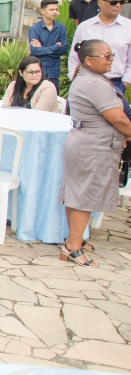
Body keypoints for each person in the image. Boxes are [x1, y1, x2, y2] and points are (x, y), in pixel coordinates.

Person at [60, 39, 131, 267]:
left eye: (111, 55)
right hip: (93, 145)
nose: (111, 59)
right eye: (106, 56)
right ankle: (72, 247)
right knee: (84, 196)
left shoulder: (88, 78)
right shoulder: (94, 84)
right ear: (89, 60)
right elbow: (118, 118)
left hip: (86, 141)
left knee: (77, 192)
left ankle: (76, 238)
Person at [69, 0, 131, 120]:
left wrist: (123, 84)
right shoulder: (85, 27)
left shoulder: (128, 28)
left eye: (122, 2)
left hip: (116, 84)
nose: (118, 5)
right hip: (86, 84)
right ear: (100, 2)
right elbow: (74, 58)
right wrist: (75, 81)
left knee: (122, 123)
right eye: (113, 2)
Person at [29, 0, 69, 91]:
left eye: (56, 9)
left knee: (54, 98)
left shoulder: (60, 28)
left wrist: (42, 49)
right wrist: (56, 46)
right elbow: (34, 51)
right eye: (51, 10)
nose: (55, 12)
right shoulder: (34, 29)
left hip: (53, 71)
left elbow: (64, 49)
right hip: (38, 70)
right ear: (42, 11)